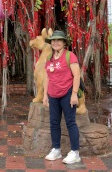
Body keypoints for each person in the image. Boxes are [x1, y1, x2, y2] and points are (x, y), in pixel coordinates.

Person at [43, 30, 81, 164]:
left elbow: (77, 75)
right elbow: (47, 77)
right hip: (53, 95)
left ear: (64, 43)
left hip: (67, 93)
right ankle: (56, 149)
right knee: (54, 123)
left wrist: (74, 94)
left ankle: (75, 152)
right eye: (53, 40)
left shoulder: (70, 56)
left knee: (70, 122)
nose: (56, 42)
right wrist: (45, 95)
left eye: (59, 40)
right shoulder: (49, 58)